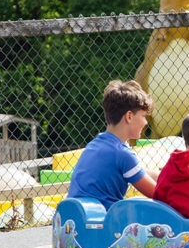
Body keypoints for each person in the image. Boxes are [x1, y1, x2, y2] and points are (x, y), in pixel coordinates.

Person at [68, 80, 158, 210]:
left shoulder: (96, 145)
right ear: (129, 116)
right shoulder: (122, 154)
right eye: (143, 116)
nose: (145, 122)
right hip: (101, 223)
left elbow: (142, 172)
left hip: (73, 218)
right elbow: (157, 193)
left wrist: (169, 175)